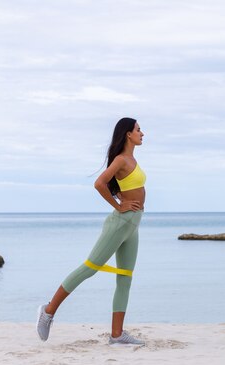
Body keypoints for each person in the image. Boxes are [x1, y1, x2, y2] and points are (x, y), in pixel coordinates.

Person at [36, 117, 146, 345]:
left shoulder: (132, 159)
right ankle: (48, 310)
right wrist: (119, 205)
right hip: (120, 223)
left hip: (133, 226)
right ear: (128, 133)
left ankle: (117, 335)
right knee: (90, 268)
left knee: (125, 278)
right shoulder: (121, 160)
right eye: (138, 129)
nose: (142, 133)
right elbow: (99, 183)